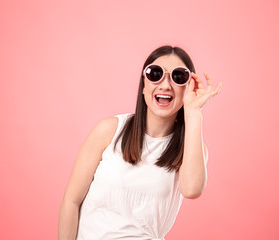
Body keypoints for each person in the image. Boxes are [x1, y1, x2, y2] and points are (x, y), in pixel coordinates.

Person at [58, 45, 223, 240]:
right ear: (144, 85)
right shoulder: (109, 130)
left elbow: (192, 189)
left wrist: (194, 113)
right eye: (155, 74)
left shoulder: (190, 148)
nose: (165, 85)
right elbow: (71, 201)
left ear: (188, 88)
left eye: (178, 77)